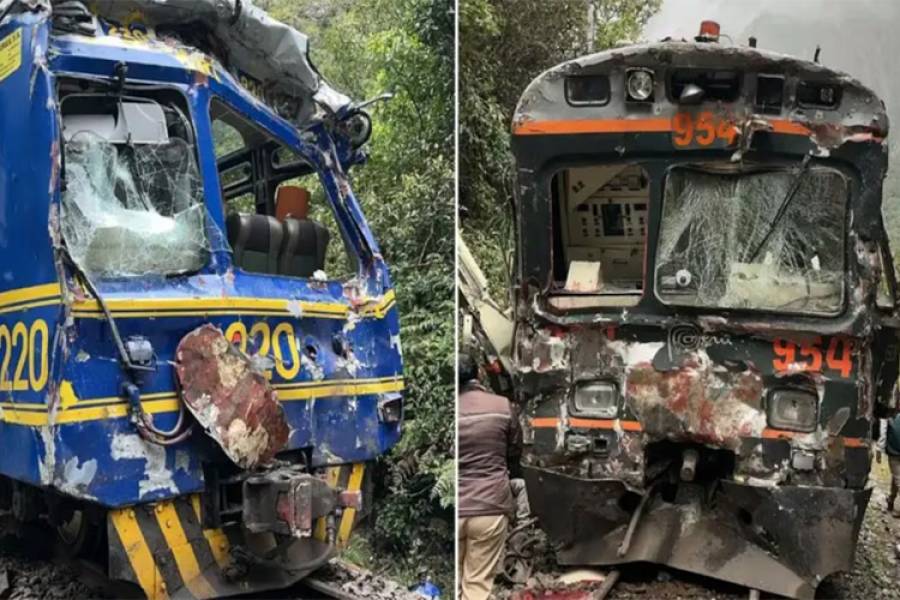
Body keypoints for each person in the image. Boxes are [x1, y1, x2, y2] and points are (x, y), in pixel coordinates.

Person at [457, 352, 522, 600]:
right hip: (490, 508)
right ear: (478, 374)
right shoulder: (502, 407)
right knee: (476, 585)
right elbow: (515, 450)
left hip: (458, 506)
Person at [877, 411, 900, 516]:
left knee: (898, 478)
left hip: (894, 451)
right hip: (895, 450)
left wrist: (879, 449)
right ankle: (891, 500)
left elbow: (883, 432)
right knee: (896, 477)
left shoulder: (889, 416)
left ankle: (898, 509)